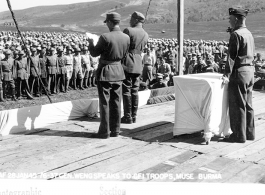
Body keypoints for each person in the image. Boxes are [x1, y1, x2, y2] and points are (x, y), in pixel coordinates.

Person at [87, 12, 130, 139]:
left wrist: (90, 42)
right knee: (116, 102)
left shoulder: (105, 37)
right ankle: (116, 130)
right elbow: (125, 55)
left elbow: (94, 53)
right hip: (118, 71)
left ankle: (104, 131)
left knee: (104, 103)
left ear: (110, 22)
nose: (107, 25)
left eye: (107, 23)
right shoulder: (126, 37)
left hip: (106, 72)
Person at [222, 7, 255, 143]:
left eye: (230, 19)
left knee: (237, 105)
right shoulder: (248, 33)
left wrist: (226, 75)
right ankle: (249, 133)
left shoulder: (236, 35)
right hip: (250, 71)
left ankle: (238, 136)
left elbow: (231, 57)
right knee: (248, 104)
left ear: (236, 19)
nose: (229, 21)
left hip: (239, 72)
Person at [121, 11, 149, 124]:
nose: (130, 20)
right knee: (135, 90)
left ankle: (127, 116)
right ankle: (134, 115)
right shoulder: (146, 34)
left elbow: (123, 46)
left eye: (131, 18)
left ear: (136, 20)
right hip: (138, 63)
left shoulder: (128, 30)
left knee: (126, 90)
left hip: (128, 62)